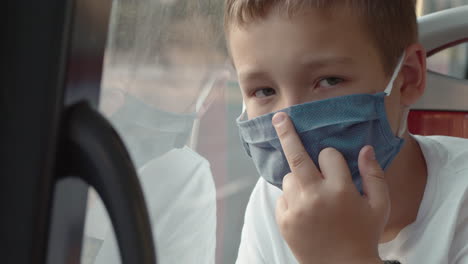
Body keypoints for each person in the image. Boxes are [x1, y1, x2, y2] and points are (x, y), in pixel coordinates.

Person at [224, 0, 468, 263]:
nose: (290, 122)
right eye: (264, 91)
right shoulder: (273, 199)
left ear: (407, 78)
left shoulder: (460, 200)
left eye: (329, 80)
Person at [81, 1, 228, 263]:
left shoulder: (183, 182)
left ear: (210, 92)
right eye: (118, 49)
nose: (118, 86)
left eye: (159, 64)